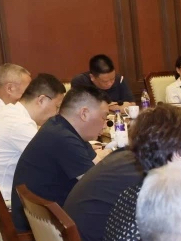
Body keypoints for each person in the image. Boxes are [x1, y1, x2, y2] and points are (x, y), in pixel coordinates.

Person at [9, 83, 109, 231]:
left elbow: (98, 168)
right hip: (44, 231)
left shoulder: (61, 127)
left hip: (48, 220)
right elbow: (99, 186)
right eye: (104, 117)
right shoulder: (62, 138)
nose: (105, 124)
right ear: (84, 114)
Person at [0, 73, 66, 204]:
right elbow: (54, 162)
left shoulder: (10, 112)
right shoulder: (19, 123)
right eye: (57, 107)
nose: (56, 113)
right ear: (41, 100)